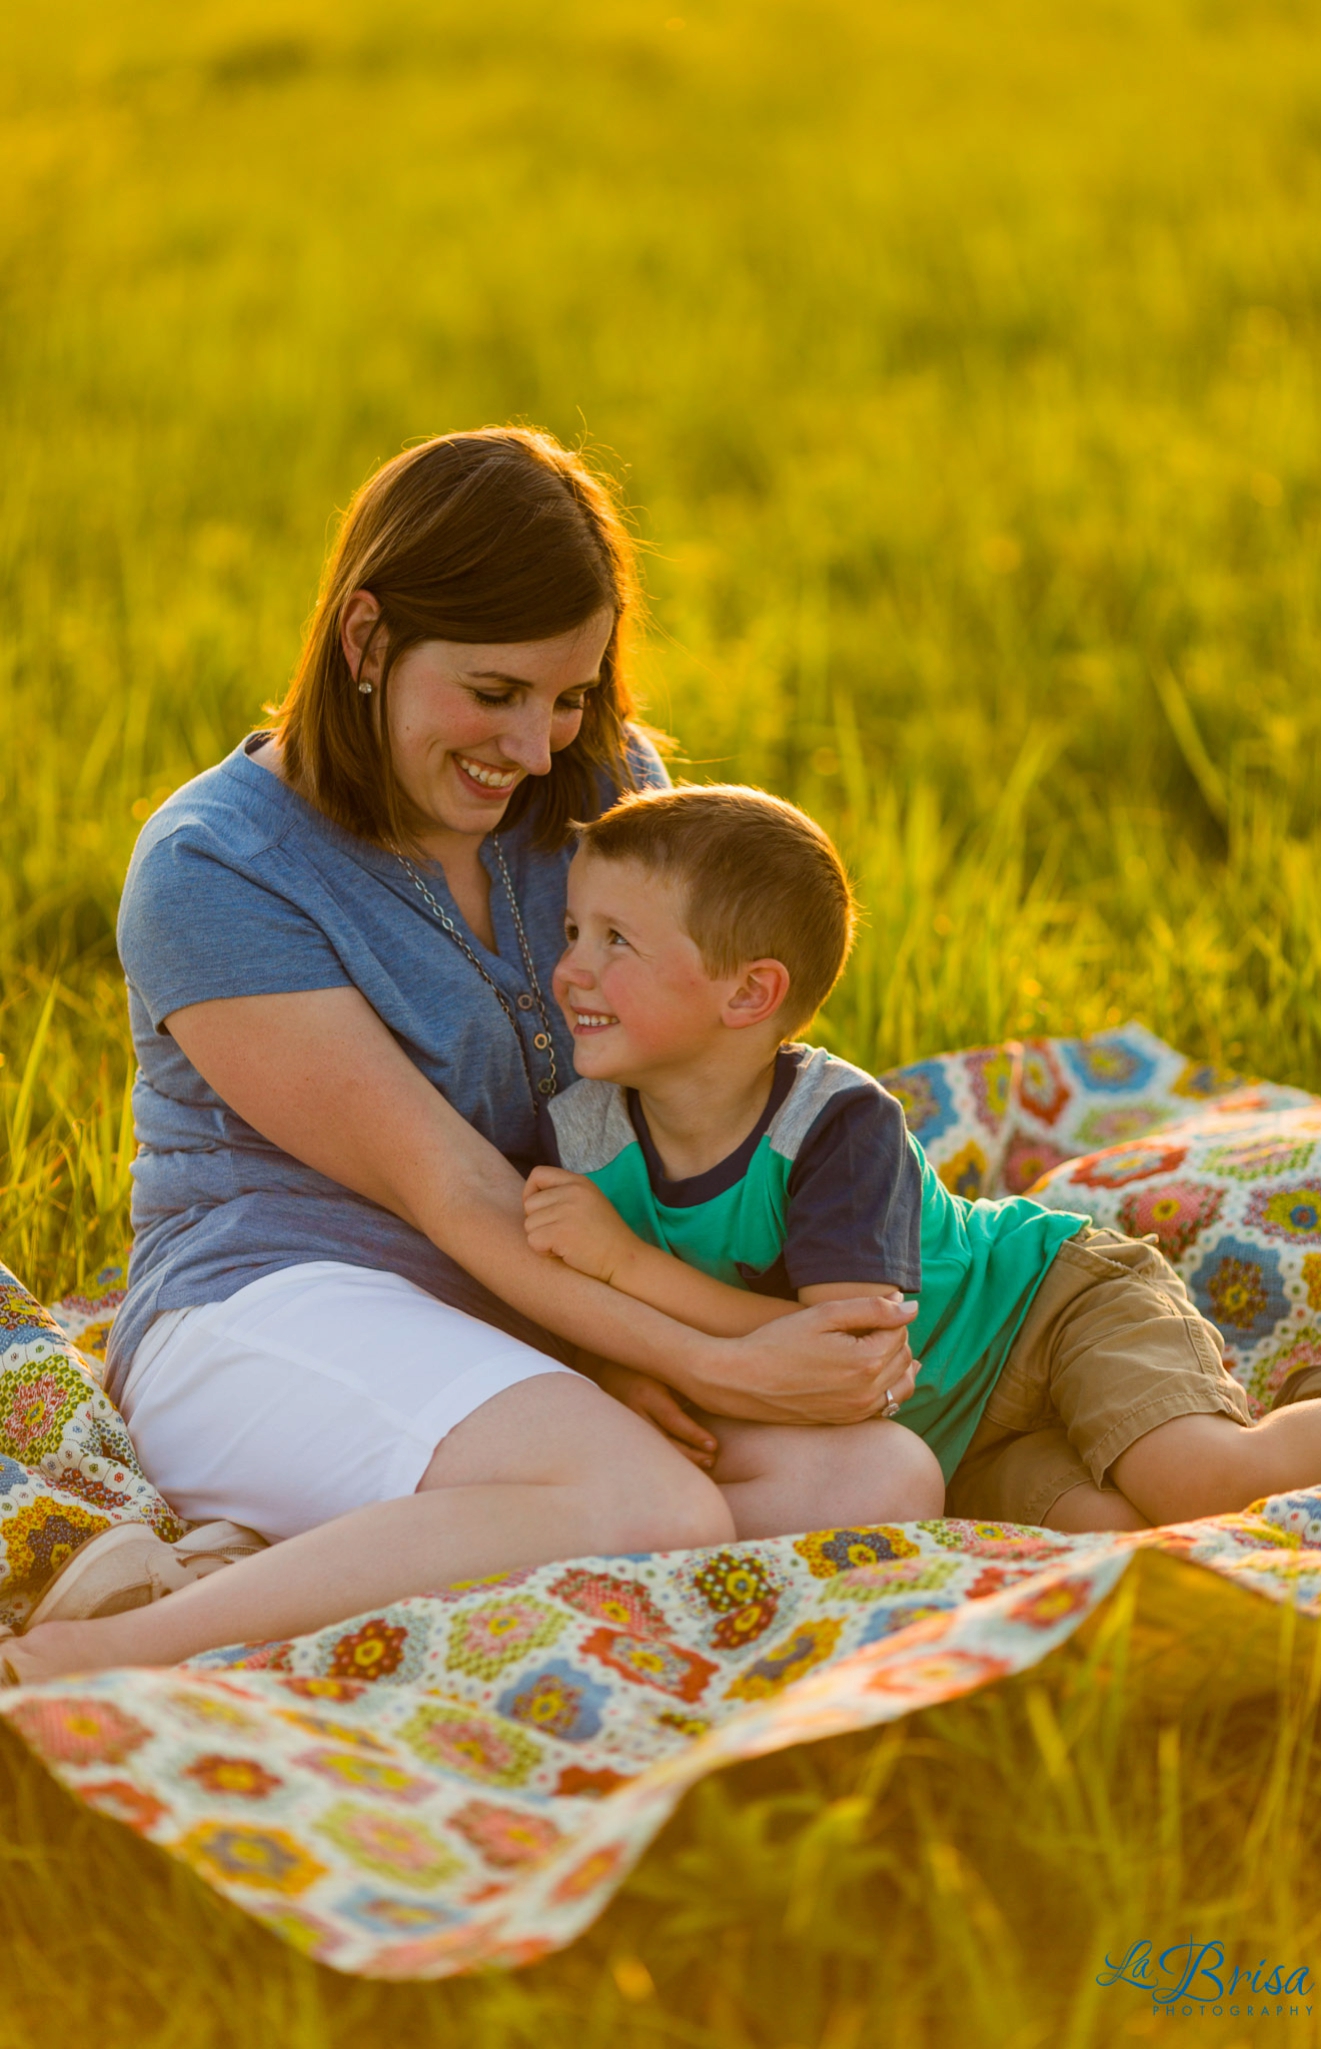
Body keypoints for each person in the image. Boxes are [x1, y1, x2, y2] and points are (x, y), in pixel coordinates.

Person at [2, 431, 915, 1687]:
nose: (536, 748)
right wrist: (698, 1358)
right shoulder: (215, 867)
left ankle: (262, 1566)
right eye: (494, 694)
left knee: (873, 1477)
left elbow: (698, 1085)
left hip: (537, 1310)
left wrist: (788, 1321)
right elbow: (455, 1193)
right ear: (367, 643)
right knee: (646, 1509)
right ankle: (85, 1657)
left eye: (571, 695)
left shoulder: (605, 797)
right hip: (273, 1305)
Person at [520, 782, 1321, 1533]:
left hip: (1043, 1314)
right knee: (1114, 1538)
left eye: (615, 941)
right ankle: (1310, 1407)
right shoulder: (582, 1140)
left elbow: (850, 1343)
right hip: (950, 1441)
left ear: (748, 993)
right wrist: (614, 1362)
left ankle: (1279, 1425)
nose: (569, 971)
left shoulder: (835, 1126)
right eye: (571, 931)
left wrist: (622, 1265)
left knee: (1202, 1481)